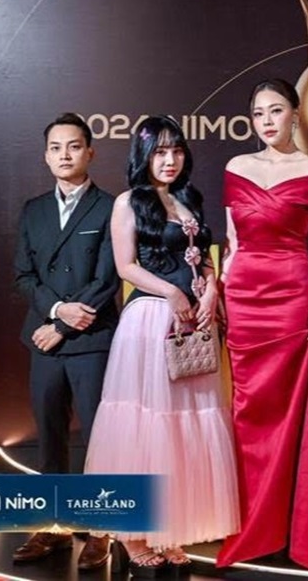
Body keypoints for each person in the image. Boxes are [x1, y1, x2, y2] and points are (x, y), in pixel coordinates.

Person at [83, 115, 239, 574]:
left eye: (176, 151)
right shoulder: (129, 202)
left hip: (192, 326)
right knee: (145, 428)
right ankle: (133, 535)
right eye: (160, 153)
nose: (169, 160)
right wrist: (172, 293)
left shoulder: (190, 198)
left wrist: (210, 289)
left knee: (181, 431)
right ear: (144, 157)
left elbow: (203, 258)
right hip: (150, 322)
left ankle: (167, 529)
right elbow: (126, 266)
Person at [217, 79, 308, 573]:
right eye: (259, 113)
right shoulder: (236, 167)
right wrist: (223, 287)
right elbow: (233, 241)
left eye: (276, 111)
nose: (267, 121)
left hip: (294, 295)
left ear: (295, 114)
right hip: (244, 297)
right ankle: (255, 525)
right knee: (250, 411)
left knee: (300, 411)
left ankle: (300, 529)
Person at [12, 113, 120, 565]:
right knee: (50, 435)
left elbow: (107, 279)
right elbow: (24, 275)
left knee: (98, 437)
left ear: (90, 152)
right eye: (55, 148)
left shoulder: (111, 206)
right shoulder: (33, 209)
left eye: (74, 146)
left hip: (91, 338)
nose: (64, 155)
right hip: (44, 340)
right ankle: (51, 526)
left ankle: (100, 530)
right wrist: (56, 313)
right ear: (45, 156)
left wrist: (63, 325)